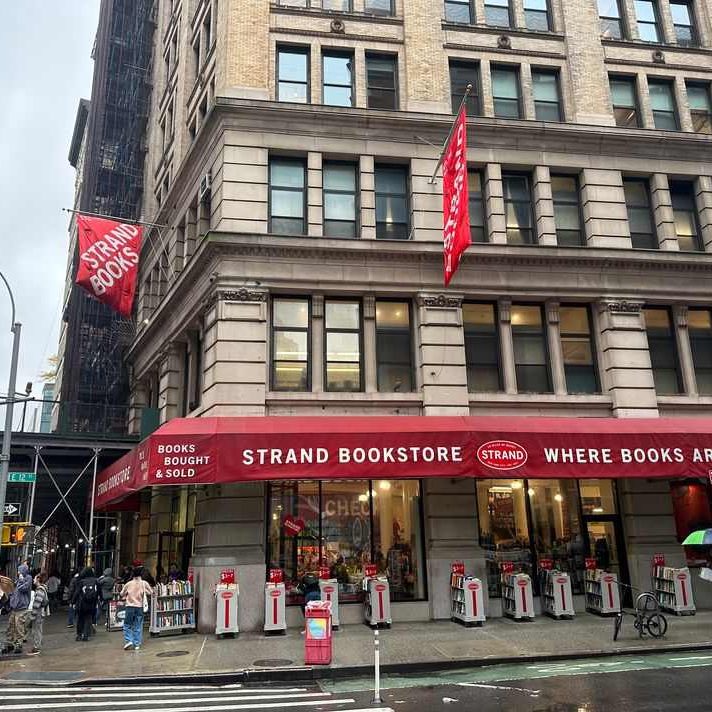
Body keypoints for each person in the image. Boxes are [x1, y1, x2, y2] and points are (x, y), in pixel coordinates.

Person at [120, 566, 153, 651]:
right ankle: (137, 644)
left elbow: (121, 594)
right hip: (139, 607)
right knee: (138, 625)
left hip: (130, 606)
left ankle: (129, 640)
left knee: (127, 624)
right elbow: (151, 592)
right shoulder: (144, 583)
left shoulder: (128, 584)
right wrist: (144, 592)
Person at [1, 564, 32, 655]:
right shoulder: (17, 580)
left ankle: (18, 645)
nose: (18, 572)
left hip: (21, 608)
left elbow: (24, 589)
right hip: (14, 608)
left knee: (19, 627)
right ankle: (9, 644)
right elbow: (13, 592)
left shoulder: (28, 578)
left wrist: (22, 579)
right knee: (10, 627)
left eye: (19, 571)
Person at [25, 572, 49, 656]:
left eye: (34, 578)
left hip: (38, 613)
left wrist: (32, 616)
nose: (33, 580)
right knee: (37, 630)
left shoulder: (40, 589)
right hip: (40, 613)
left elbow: (37, 604)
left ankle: (36, 648)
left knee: (36, 630)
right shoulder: (42, 588)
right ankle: (37, 646)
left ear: (38, 579)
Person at [73, 567, 99, 642]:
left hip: (82, 604)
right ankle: (86, 635)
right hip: (91, 604)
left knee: (80, 619)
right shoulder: (96, 581)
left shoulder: (81, 581)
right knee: (88, 619)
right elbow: (98, 592)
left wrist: (72, 601)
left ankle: (79, 634)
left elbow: (77, 592)